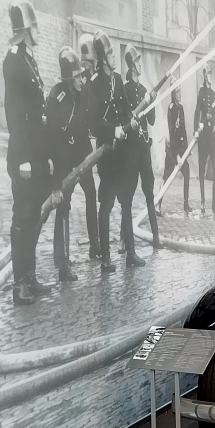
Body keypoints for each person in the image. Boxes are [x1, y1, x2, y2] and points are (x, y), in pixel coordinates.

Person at [3, 0, 58, 305]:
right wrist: (24, 157)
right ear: (25, 29)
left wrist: (45, 155)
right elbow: (15, 113)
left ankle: (31, 277)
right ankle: (19, 285)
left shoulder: (28, 58)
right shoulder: (13, 60)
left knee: (34, 214)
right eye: (34, 26)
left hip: (36, 150)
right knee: (22, 217)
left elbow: (38, 114)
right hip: (23, 153)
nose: (38, 31)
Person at [80, 30, 145, 270]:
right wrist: (113, 130)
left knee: (126, 201)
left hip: (123, 153)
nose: (114, 57)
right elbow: (93, 123)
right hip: (107, 153)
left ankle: (130, 253)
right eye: (109, 54)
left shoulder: (117, 79)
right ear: (102, 58)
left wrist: (131, 122)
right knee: (106, 205)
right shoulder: (94, 84)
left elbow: (126, 110)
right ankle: (106, 257)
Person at [44, 47, 88, 282]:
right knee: (51, 211)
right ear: (69, 78)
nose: (82, 80)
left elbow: (79, 133)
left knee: (64, 208)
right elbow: (50, 138)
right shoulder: (57, 96)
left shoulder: (76, 97)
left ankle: (61, 260)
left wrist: (78, 165)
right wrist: (54, 183)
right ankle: (61, 265)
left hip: (69, 161)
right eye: (78, 76)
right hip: (55, 163)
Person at [121, 45, 160, 249]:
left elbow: (151, 120)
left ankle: (156, 237)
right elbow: (123, 118)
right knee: (127, 195)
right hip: (130, 151)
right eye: (137, 61)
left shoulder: (144, 91)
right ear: (131, 65)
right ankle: (124, 240)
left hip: (143, 149)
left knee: (149, 191)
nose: (140, 64)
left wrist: (152, 102)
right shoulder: (124, 90)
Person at [161, 81, 191, 214]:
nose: (179, 94)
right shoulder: (171, 108)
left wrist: (186, 149)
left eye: (180, 92)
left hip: (180, 149)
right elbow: (172, 133)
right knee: (166, 177)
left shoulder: (181, 108)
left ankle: (186, 203)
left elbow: (183, 130)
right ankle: (158, 203)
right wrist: (177, 155)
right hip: (172, 151)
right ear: (173, 94)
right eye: (177, 92)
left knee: (187, 173)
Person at [194, 67, 215, 213]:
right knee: (202, 169)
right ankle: (203, 202)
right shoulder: (201, 93)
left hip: (211, 136)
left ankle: (214, 202)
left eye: (211, 74)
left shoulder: (214, 94)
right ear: (204, 76)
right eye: (208, 74)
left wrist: (211, 119)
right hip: (203, 137)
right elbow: (197, 112)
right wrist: (195, 131)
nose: (210, 76)